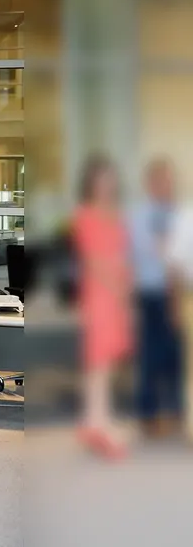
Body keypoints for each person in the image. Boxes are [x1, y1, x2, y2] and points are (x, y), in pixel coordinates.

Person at [73, 157, 132, 459]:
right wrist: (118, 288)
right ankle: (98, 422)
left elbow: (125, 255)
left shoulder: (117, 215)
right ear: (91, 183)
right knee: (99, 361)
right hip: (100, 295)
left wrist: (126, 290)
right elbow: (94, 261)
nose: (107, 184)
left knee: (108, 362)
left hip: (119, 294)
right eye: (101, 178)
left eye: (111, 178)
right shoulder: (85, 215)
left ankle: (95, 420)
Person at [131, 157, 182, 438]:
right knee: (149, 357)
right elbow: (150, 251)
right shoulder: (140, 215)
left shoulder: (178, 214)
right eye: (161, 179)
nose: (166, 185)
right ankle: (149, 416)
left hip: (174, 293)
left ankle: (174, 414)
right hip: (148, 293)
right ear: (150, 183)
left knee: (174, 358)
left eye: (169, 179)